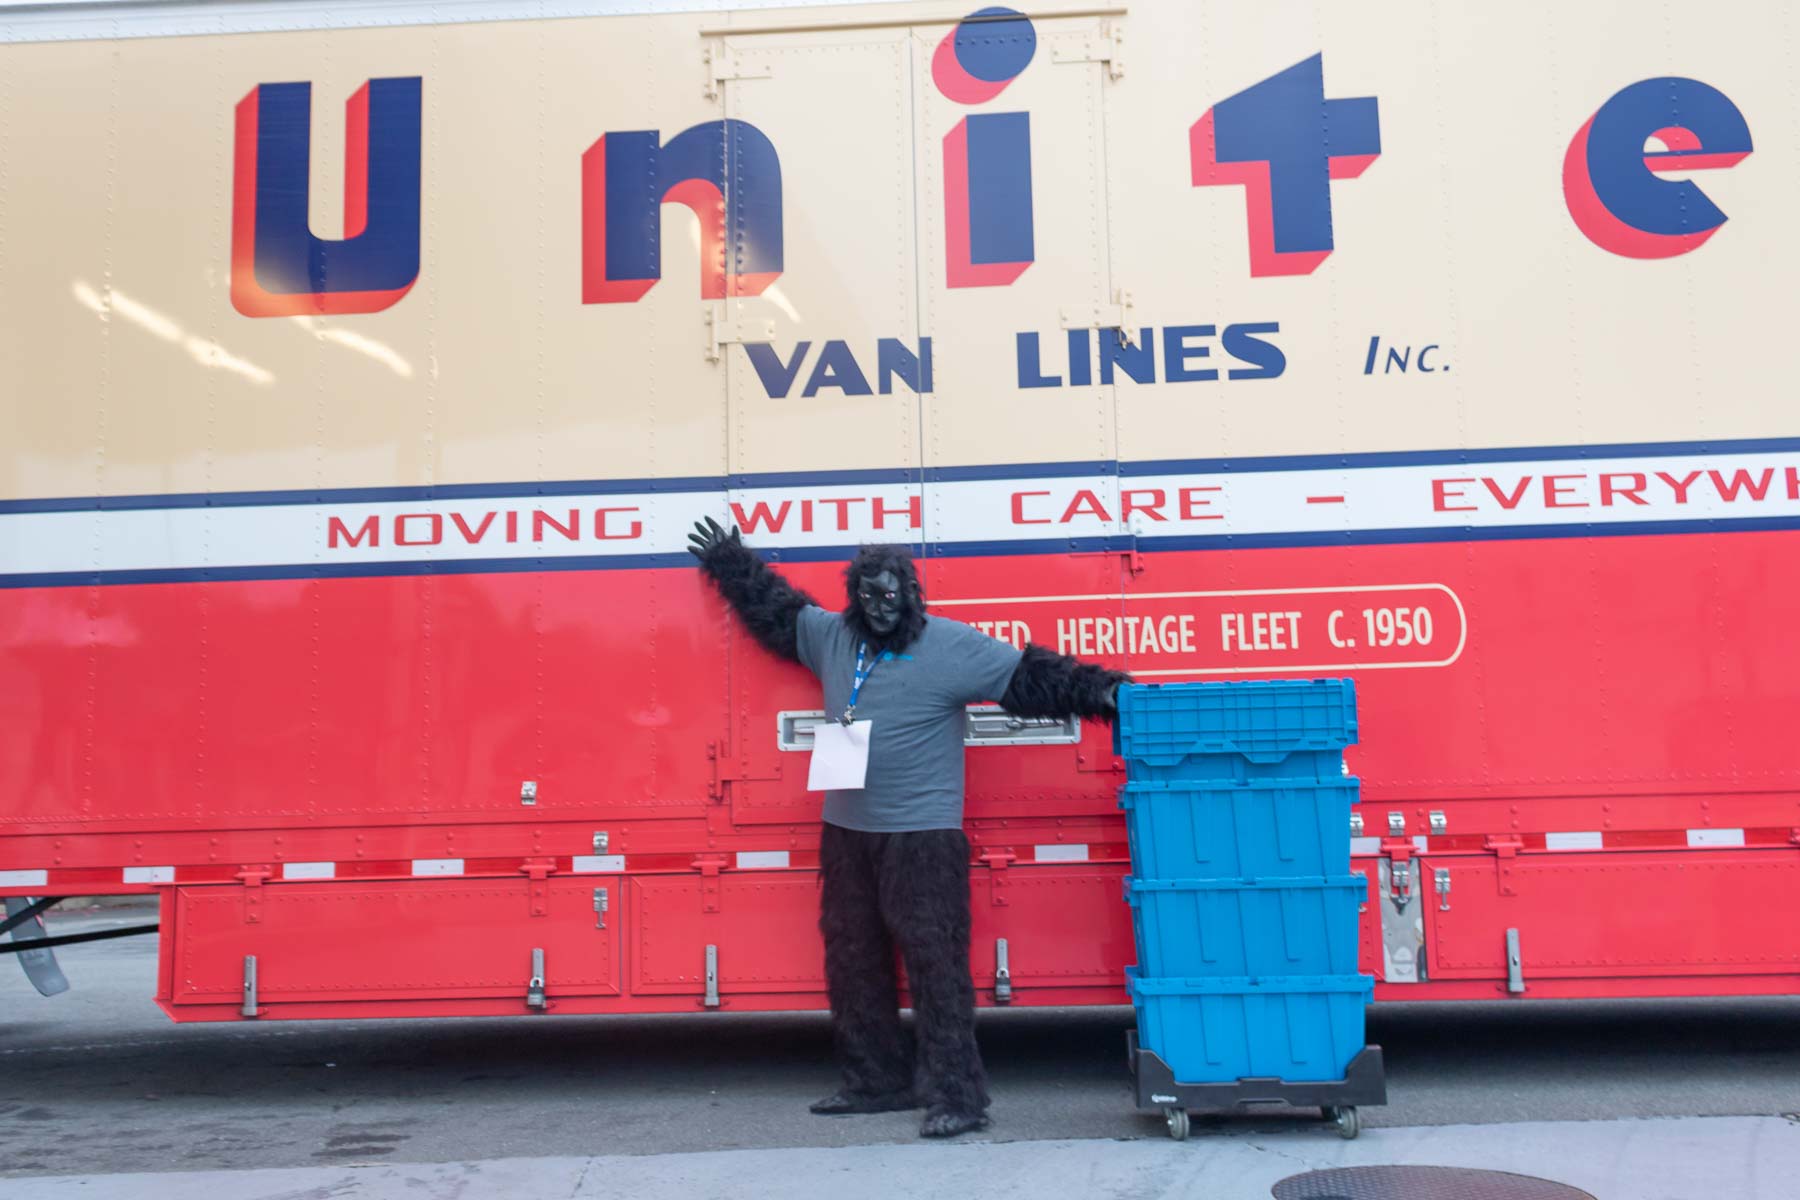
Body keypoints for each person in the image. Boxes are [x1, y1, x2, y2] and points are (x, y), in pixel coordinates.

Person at [688, 518, 1130, 1138]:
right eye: (868, 595)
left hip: (923, 838)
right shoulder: (832, 638)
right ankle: (875, 1083)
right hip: (847, 834)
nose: (880, 605)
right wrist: (731, 560)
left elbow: (1033, 678)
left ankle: (958, 1098)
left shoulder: (949, 645)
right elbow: (776, 608)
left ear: (911, 594)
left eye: (891, 594)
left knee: (936, 966)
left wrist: (1110, 693)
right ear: (854, 597)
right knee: (852, 959)